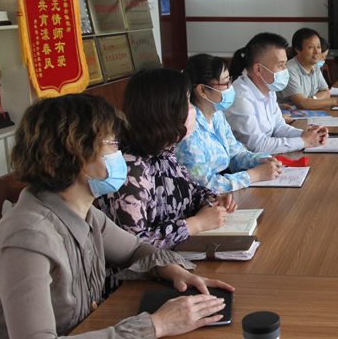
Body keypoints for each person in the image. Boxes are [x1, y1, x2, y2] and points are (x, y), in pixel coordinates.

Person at [0, 94, 233, 339]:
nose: (119, 154)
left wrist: (174, 270)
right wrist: (156, 325)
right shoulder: (28, 239)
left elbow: (134, 250)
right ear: (77, 155)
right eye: (111, 145)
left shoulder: (81, 210)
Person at [98, 68, 237, 250]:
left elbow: (189, 190)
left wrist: (211, 199)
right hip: (151, 266)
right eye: (187, 102)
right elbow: (132, 246)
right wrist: (196, 224)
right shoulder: (130, 168)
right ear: (164, 110)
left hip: (179, 255)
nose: (193, 110)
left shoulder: (164, 153)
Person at [176, 53, 283, 193]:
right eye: (225, 83)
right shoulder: (189, 129)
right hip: (206, 199)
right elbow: (204, 184)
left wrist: (260, 160)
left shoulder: (217, 115)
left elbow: (235, 153)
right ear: (202, 90)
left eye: (229, 81)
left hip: (226, 193)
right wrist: (255, 175)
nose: (230, 87)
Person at [226, 32, 329, 154]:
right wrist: (304, 141)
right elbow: (257, 145)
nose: (285, 70)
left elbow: (278, 127)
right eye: (280, 65)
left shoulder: (268, 89)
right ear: (259, 69)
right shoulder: (240, 97)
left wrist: (308, 134)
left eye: (285, 64)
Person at [279, 28, 338, 110]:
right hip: (291, 115)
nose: (317, 51)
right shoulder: (289, 70)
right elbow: (302, 104)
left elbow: (326, 92)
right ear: (297, 49)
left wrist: (312, 100)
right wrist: (335, 101)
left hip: (309, 112)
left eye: (318, 47)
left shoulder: (314, 65)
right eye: (311, 47)